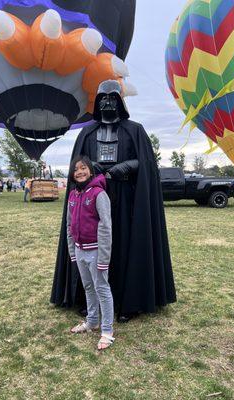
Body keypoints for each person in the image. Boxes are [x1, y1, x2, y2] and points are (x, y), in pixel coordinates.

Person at [50, 80, 176, 321]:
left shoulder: (135, 130)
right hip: (92, 195)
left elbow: (146, 163)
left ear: (120, 101)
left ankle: (129, 302)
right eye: (103, 98)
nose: (107, 102)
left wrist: (125, 167)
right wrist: (90, 166)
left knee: (125, 245)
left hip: (126, 199)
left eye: (112, 98)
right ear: (97, 103)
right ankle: (90, 300)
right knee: (91, 245)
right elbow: (77, 165)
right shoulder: (86, 132)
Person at [67, 155, 114, 350]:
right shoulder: (72, 195)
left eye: (83, 168)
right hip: (80, 250)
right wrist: (72, 250)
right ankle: (92, 321)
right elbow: (69, 225)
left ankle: (107, 331)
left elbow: (106, 226)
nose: (80, 172)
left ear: (91, 171)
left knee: (101, 288)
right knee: (88, 287)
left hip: (96, 251)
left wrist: (104, 257)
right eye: (76, 169)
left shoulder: (98, 194)